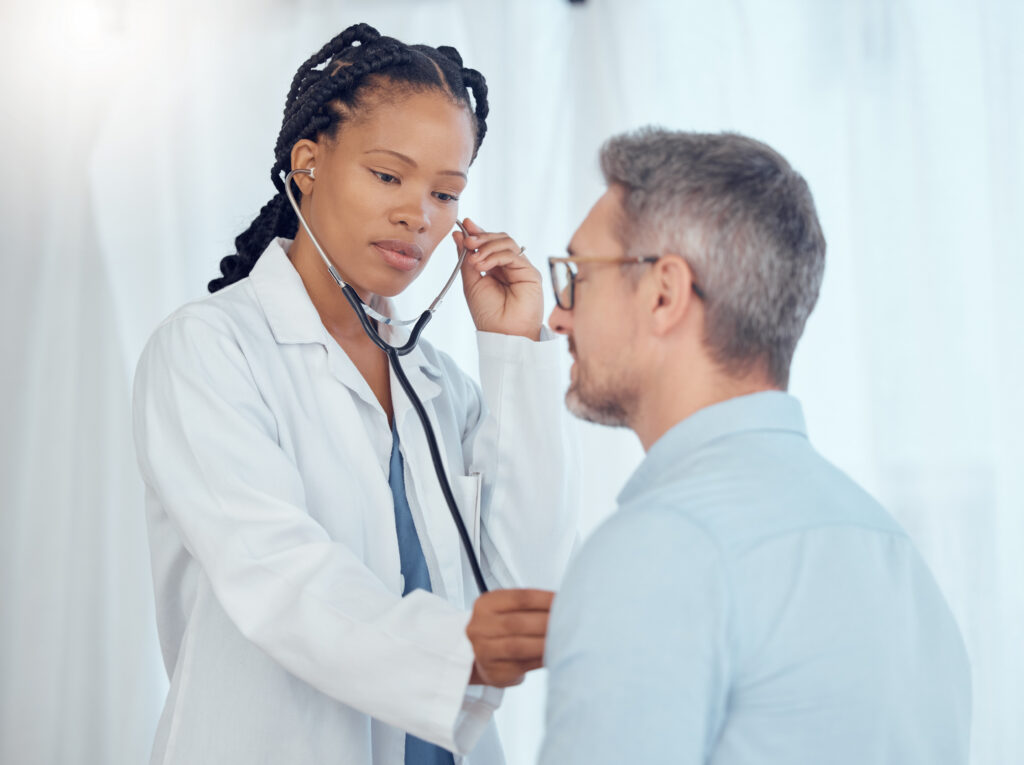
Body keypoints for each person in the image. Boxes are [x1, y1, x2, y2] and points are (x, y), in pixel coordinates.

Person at [132, 23, 578, 765]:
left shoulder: (439, 386)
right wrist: (454, 650)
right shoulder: (208, 351)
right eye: (388, 175)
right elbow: (276, 573)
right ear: (308, 163)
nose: (419, 214)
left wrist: (513, 348)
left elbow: (522, 582)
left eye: (445, 192)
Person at [538, 128, 970, 764]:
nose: (557, 315)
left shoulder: (658, 550)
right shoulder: (894, 557)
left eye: (578, 274)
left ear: (664, 292)